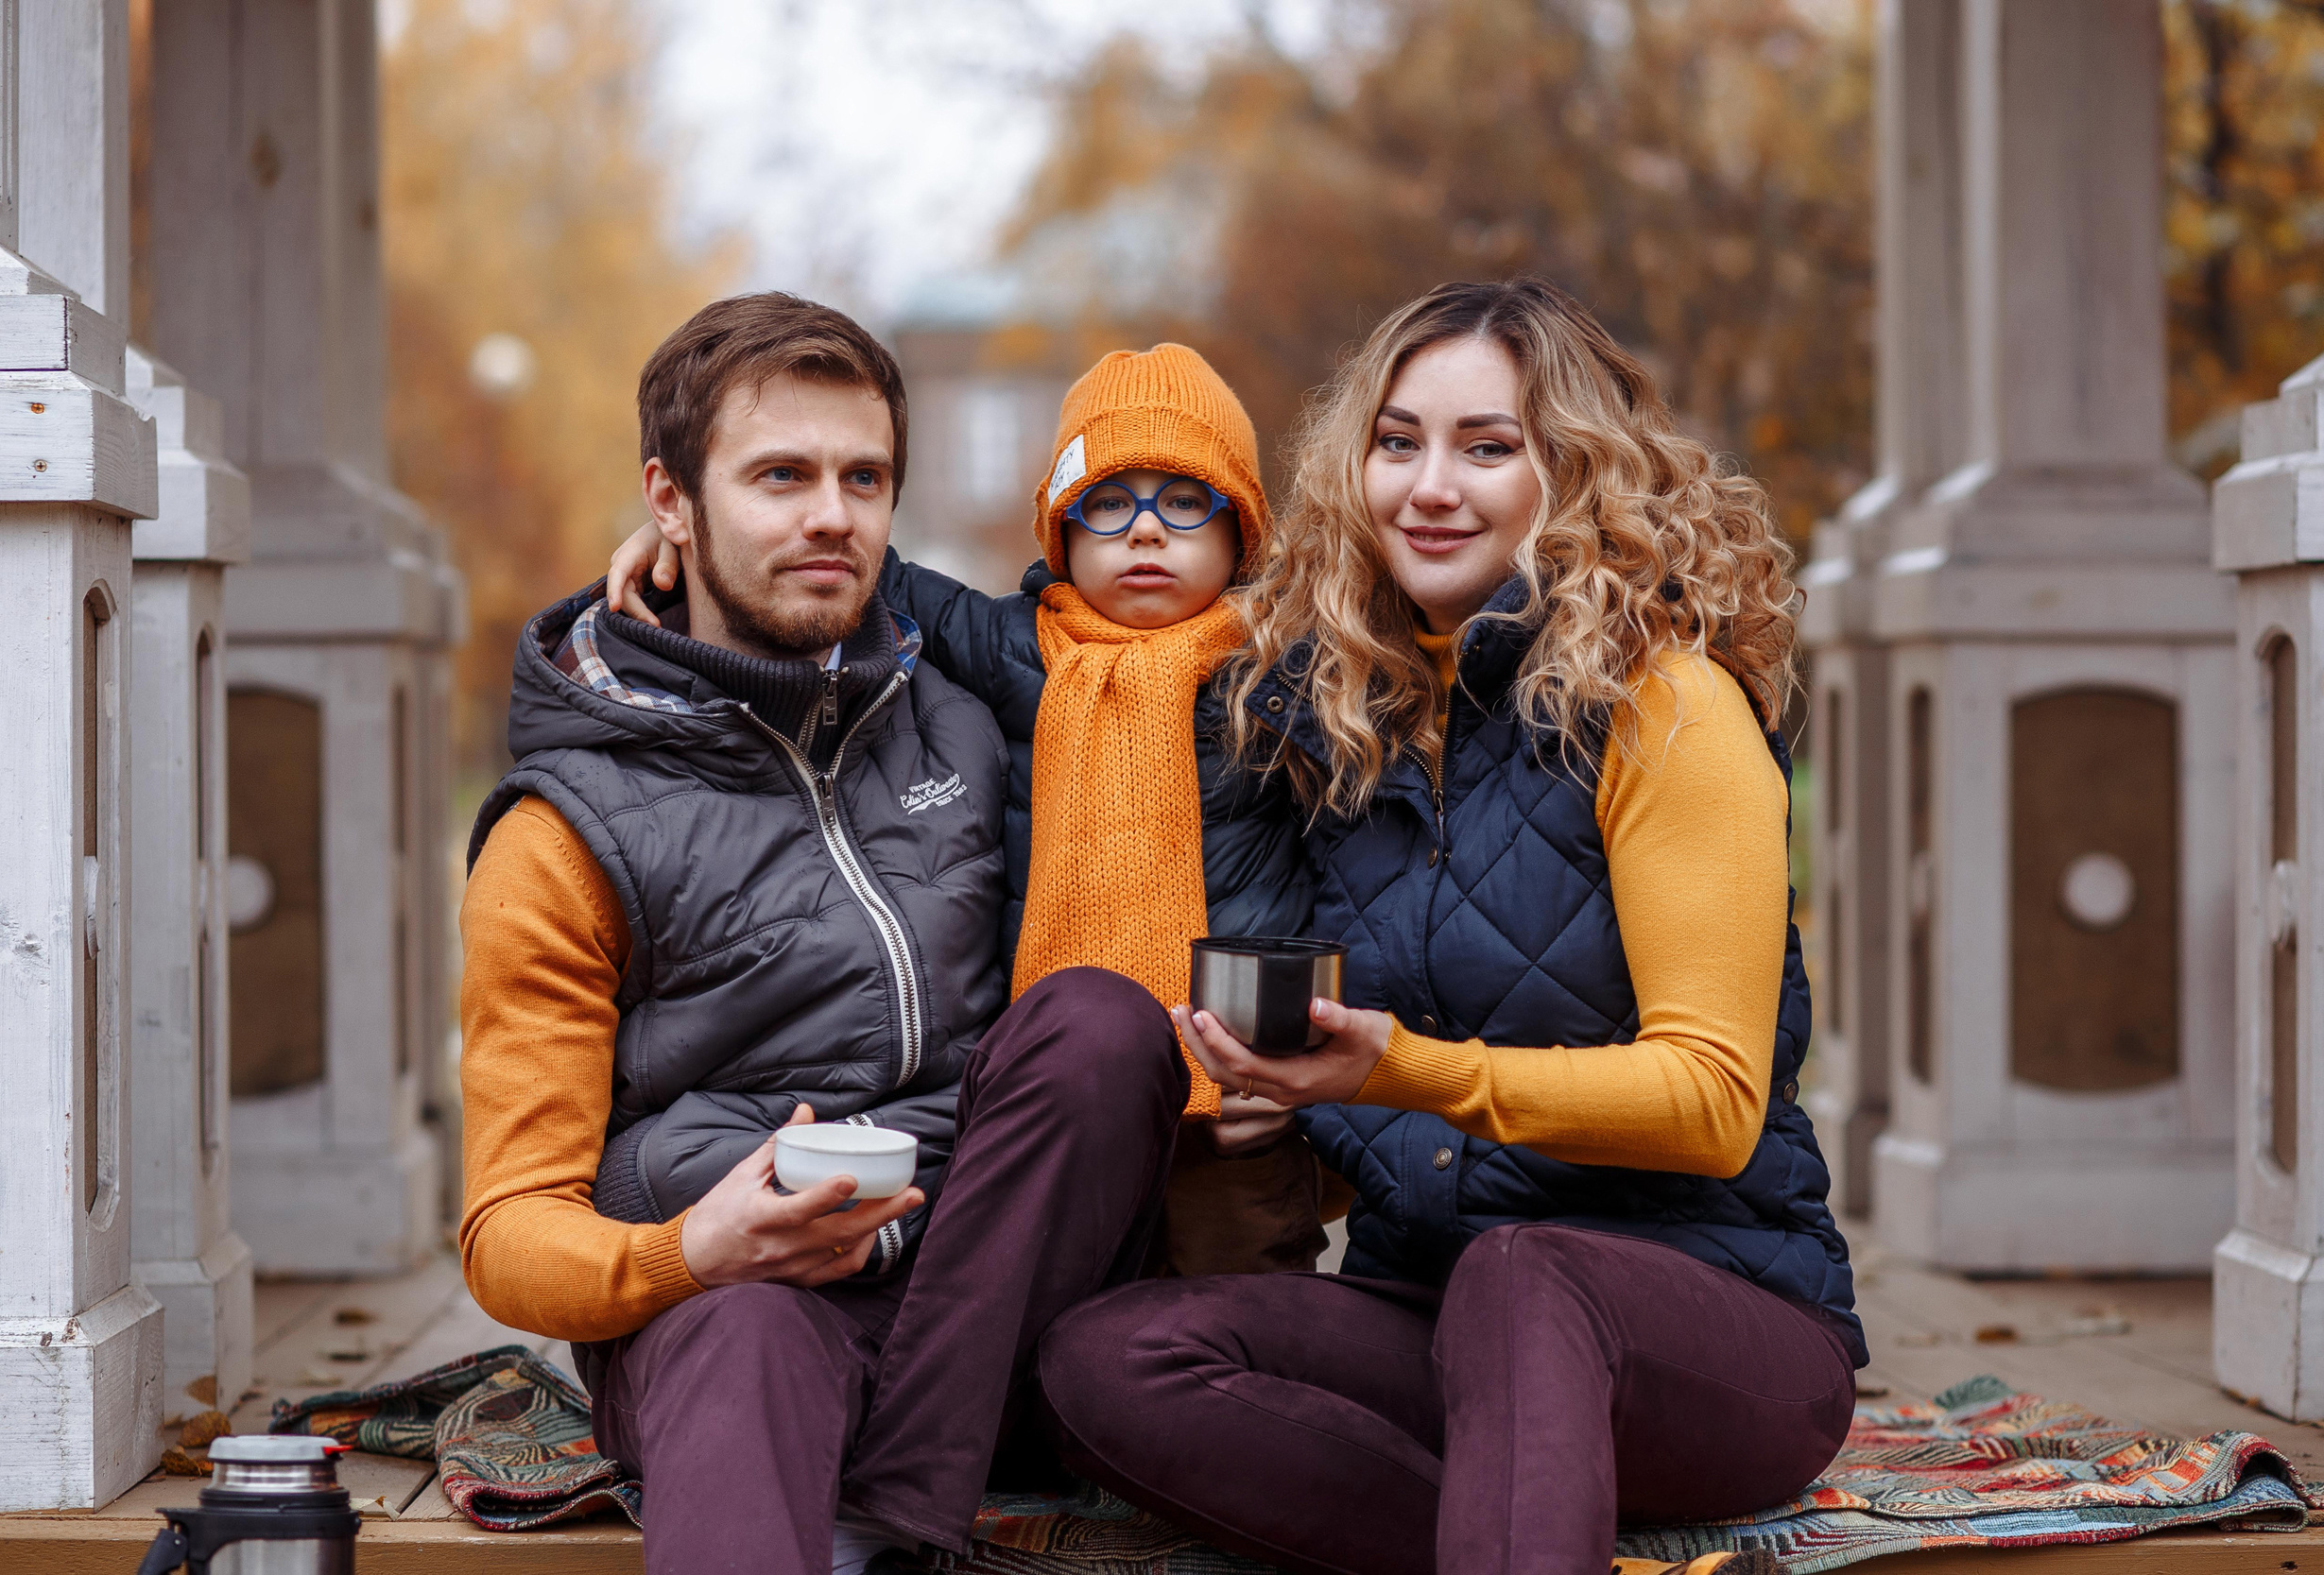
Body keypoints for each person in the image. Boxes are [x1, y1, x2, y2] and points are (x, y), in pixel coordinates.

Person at [1034, 278, 1863, 1575]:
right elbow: (1393, 1106)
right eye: (1397, 441)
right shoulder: (1336, 720)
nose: (1429, 486)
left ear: (1574, 472)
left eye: (1487, 447)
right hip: (1431, 1304)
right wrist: (1281, 1109)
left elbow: (1712, 1103)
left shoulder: (1667, 704)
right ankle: (1526, 1529)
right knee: (1107, 1354)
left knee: (1526, 1277)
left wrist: (1397, 1070)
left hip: (1718, 1325)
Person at [458, 292, 1194, 1575]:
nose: (832, 516)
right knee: (748, 1332)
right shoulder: (567, 831)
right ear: (670, 499)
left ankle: (889, 1505)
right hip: (745, 1312)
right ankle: (874, 1513)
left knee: (1099, 1024)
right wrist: (689, 1250)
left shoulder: (967, 722)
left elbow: (1213, 655)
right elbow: (510, 1229)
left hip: (997, 1297)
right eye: (779, 476)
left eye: (864, 478)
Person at [608, 343, 1325, 1276]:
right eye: (1109, 504)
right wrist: (677, 539)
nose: (1146, 532)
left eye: (1185, 502)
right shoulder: (1014, 648)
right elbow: (850, 568)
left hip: (1233, 1096)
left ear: (1242, 535)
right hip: (1056, 1090)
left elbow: (1366, 860)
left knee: (1237, 1301)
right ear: (1062, 532)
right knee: (1066, 1294)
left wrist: (1307, 1067)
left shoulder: (1282, 672)